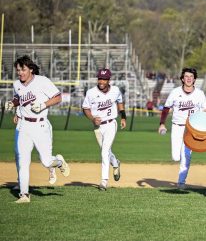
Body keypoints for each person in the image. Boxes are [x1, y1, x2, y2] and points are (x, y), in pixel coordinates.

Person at [7, 55, 70, 203]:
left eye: (23, 69)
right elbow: (19, 98)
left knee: (47, 162)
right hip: (24, 127)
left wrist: (43, 105)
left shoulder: (42, 81)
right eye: (18, 70)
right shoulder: (17, 84)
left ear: (30, 69)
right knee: (23, 160)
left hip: (41, 126)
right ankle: (24, 195)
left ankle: (59, 162)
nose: (20, 73)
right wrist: (13, 104)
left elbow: (58, 97)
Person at [158, 68, 206, 190]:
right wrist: (162, 123)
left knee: (186, 155)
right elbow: (166, 108)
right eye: (186, 76)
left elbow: (204, 112)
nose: (189, 78)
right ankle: (181, 176)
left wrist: (202, 129)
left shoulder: (200, 94)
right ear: (182, 79)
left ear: (194, 79)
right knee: (176, 156)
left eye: (191, 76)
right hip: (177, 127)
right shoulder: (175, 92)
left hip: (191, 129)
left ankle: (181, 182)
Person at [82, 68, 126, 190]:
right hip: (97, 126)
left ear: (108, 80)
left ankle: (104, 181)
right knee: (106, 151)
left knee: (104, 152)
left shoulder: (115, 90)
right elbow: (85, 108)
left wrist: (123, 117)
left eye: (104, 79)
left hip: (111, 123)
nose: (101, 81)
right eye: (100, 78)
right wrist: (92, 119)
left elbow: (120, 102)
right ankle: (116, 163)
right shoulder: (91, 92)